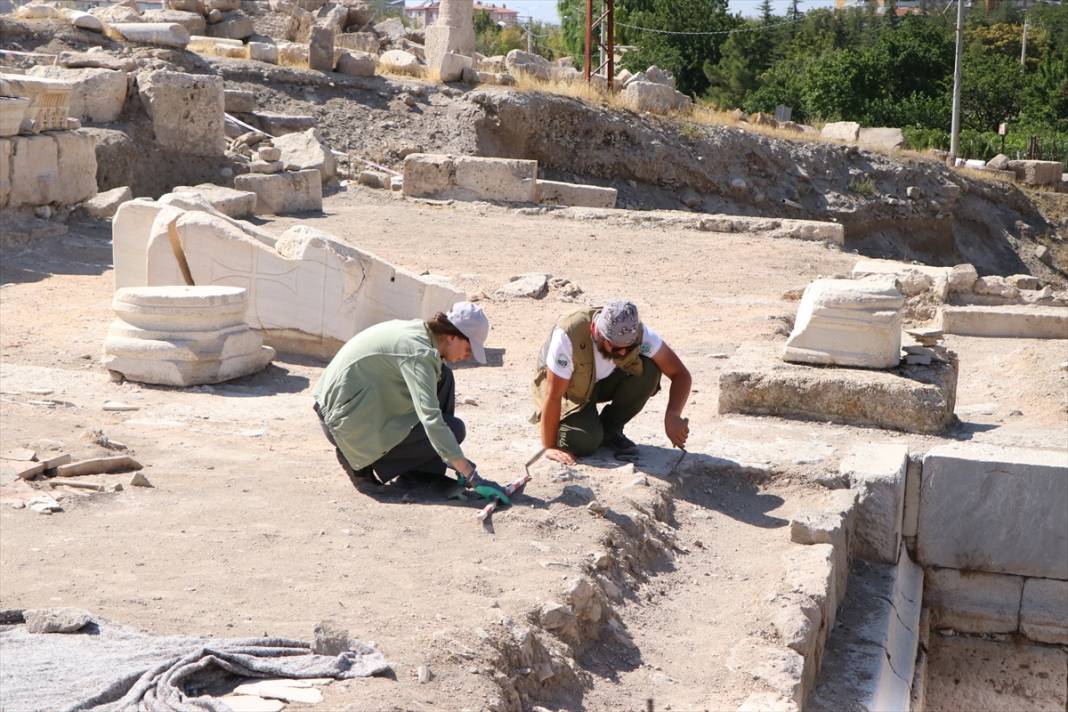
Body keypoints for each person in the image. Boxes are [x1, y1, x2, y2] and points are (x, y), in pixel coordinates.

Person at [314, 301, 494, 492]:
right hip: (340, 422)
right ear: (451, 336)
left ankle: (423, 473)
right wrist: (471, 474)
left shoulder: (422, 334)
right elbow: (431, 419)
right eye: (468, 349)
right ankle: (359, 464)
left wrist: (453, 457)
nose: (468, 356)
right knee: (454, 429)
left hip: (344, 406)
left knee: (444, 377)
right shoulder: (420, 354)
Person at [531, 300, 691, 465]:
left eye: (629, 348)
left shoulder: (639, 333)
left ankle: (609, 430)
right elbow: (553, 394)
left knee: (649, 371)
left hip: (598, 382)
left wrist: (673, 415)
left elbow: (681, 374)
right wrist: (548, 446)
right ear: (596, 331)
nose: (622, 352)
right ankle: (583, 430)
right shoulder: (569, 334)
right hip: (567, 387)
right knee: (582, 441)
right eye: (615, 347)